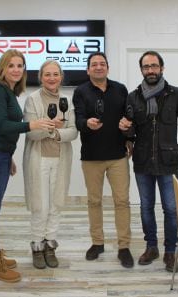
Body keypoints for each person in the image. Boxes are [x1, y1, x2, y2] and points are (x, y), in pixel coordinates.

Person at [0, 49, 54, 282]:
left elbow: (0, 128)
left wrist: (7, 156)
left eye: (20, 66)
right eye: (11, 65)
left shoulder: (9, 92)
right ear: (2, 68)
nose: (16, 70)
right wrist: (32, 125)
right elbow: (0, 125)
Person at [119, 51, 178, 272]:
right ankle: (151, 247)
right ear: (141, 70)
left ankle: (170, 252)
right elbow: (131, 130)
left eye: (154, 66)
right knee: (145, 207)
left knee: (171, 209)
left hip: (168, 162)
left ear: (162, 68)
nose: (150, 70)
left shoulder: (176, 94)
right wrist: (126, 131)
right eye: (145, 67)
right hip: (142, 162)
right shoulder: (133, 97)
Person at [73, 52, 134, 268]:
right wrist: (85, 123)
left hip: (118, 156)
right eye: (94, 64)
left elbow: (128, 117)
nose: (98, 67)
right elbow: (78, 118)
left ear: (108, 67)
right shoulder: (80, 91)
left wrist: (130, 138)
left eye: (102, 64)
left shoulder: (120, 89)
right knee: (94, 201)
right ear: (88, 69)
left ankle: (124, 246)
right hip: (91, 157)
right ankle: (97, 243)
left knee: (122, 202)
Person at [23, 60, 78, 269]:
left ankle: (50, 246)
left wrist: (54, 132)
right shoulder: (32, 100)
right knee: (41, 206)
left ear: (61, 77)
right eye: (47, 74)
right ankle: (37, 246)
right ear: (41, 77)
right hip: (39, 159)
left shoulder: (67, 100)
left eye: (55, 74)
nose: (52, 78)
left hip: (61, 159)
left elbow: (73, 131)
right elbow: (31, 132)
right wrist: (48, 128)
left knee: (56, 205)